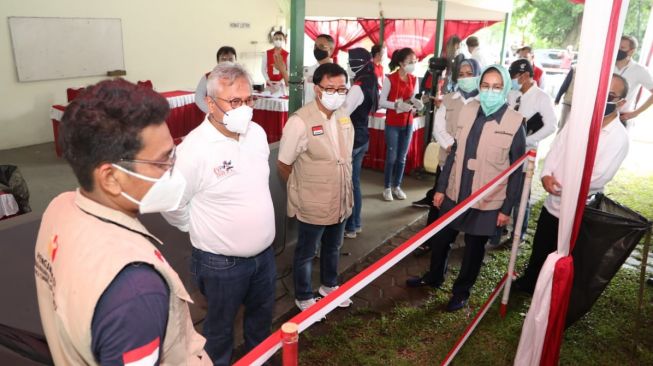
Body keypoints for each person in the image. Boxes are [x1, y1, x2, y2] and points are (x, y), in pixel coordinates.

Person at [34, 79, 211, 365]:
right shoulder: (135, 292)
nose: (174, 170)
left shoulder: (59, 208)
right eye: (164, 161)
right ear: (111, 178)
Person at [162, 63, 276, 365]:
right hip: (220, 264)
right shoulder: (193, 149)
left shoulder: (257, 134)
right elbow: (171, 204)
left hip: (264, 258)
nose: (245, 108)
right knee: (219, 332)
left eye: (249, 100)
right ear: (210, 103)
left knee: (261, 324)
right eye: (235, 102)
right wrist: (197, 226)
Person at [406, 65, 526, 312]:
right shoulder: (468, 110)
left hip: (487, 200)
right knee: (441, 240)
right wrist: (440, 188)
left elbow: (516, 171)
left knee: (473, 249)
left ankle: (461, 292)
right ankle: (434, 277)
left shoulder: (515, 123)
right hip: (455, 192)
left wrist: (506, 208)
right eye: (485, 86)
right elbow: (455, 152)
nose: (489, 91)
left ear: (505, 88)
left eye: (496, 87)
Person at [513, 74, 630, 294]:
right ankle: (531, 282)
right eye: (601, 91)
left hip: (579, 209)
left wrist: (561, 186)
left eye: (611, 95)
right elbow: (557, 147)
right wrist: (546, 174)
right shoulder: (579, 119)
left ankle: (555, 291)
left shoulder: (619, 138)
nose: (604, 98)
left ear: (622, 102)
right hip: (552, 203)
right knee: (541, 246)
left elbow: (599, 176)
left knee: (566, 254)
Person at [278, 63, 354, 311]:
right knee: (306, 251)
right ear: (317, 89)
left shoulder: (343, 116)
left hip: (340, 195)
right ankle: (303, 295)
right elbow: (284, 164)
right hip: (313, 200)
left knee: (334, 245)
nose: (337, 94)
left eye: (342, 89)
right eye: (330, 88)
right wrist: (303, 188)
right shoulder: (300, 121)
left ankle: (329, 286)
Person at [411, 59, 482, 256]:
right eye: (462, 74)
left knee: (464, 200)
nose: (465, 78)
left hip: (471, 164)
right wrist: (451, 145)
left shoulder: (484, 101)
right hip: (447, 159)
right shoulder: (449, 99)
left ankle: (457, 237)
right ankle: (429, 241)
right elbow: (438, 127)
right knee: (438, 200)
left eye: (470, 73)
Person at [489, 59, 556, 246]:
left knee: (520, 197)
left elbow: (552, 125)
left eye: (514, 76)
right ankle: (496, 230)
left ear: (526, 76)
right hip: (504, 152)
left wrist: (527, 141)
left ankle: (518, 234)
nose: (513, 80)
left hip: (526, 154)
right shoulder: (512, 94)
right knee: (501, 192)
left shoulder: (542, 98)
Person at [378, 48, 423, 201]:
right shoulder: (389, 79)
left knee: (402, 157)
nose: (413, 64)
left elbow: (413, 99)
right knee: (391, 157)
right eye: (410, 62)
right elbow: (381, 102)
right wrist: (397, 106)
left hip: (408, 122)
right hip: (392, 122)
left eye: (415, 61)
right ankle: (386, 187)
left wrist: (417, 104)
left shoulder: (414, 79)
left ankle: (397, 186)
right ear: (401, 63)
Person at [343, 48, 379, 239]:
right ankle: (355, 224)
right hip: (363, 137)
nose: (349, 65)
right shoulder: (371, 79)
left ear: (359, 62)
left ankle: (349, 225)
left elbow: (343, 113)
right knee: (355, 182)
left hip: (353, 139)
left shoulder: (358, 86)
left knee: (347, 184)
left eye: (351, 61)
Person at [615, 35, 653, 126]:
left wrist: (635, 113)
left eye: (622, 48)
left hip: (620, 118)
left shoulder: (639, 70)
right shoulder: (606, 64)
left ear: (631, 51)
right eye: (617, 46)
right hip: (599, 113)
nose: (618, 50)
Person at [195, 46, 237, 114]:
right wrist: (212, 112)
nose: (227, 62)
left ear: (235, 61)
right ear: (218, 61)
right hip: (213, 116)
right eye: (223, 59)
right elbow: (198, 98)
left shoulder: (241, 77)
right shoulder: (207, 77)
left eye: (230, 59)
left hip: (235, 115)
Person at [304, 34, 336, 104]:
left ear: (331, 50)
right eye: (315, 46)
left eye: (322, 46)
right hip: (308, 112)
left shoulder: (338, 73)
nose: (317, 49)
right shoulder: (309, 71)